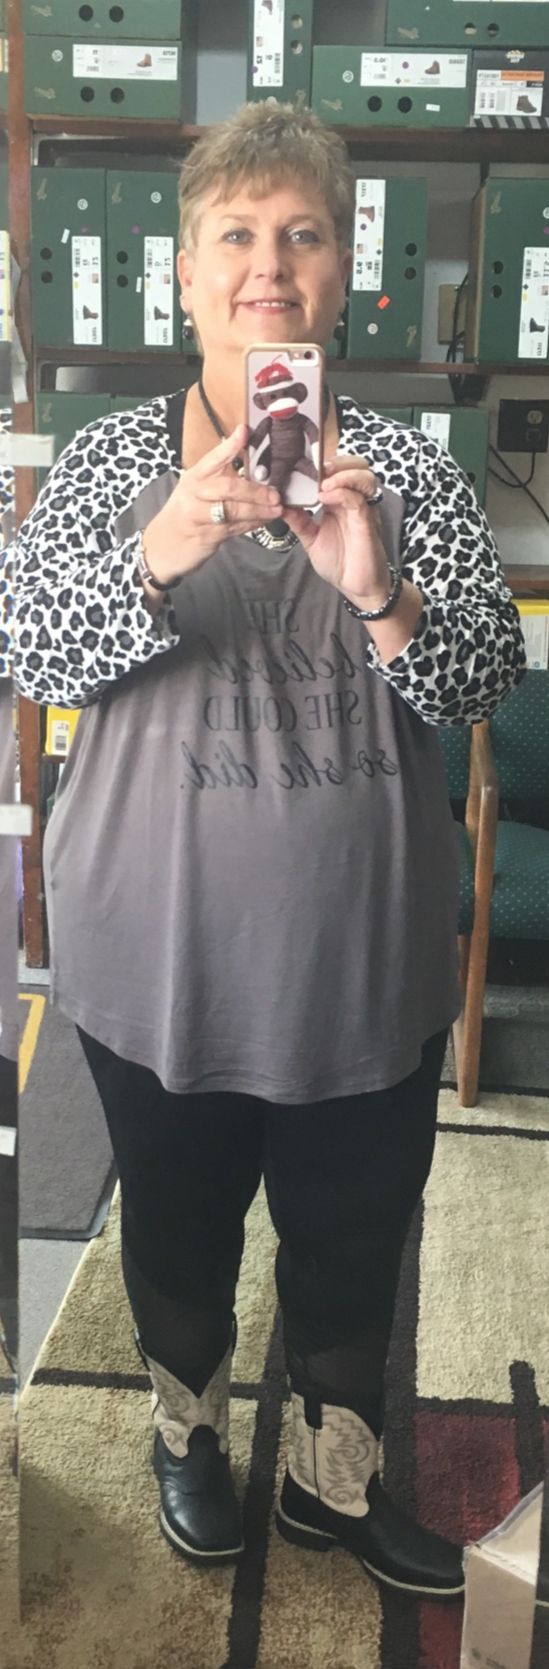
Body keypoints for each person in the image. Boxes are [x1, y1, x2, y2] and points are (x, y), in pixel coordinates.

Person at [13, 101, 526, 1600]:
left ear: (342, 271)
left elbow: (482, 684)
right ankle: (188, 1434)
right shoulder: (108, 461)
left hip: (363, 966)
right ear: (183, 273)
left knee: (350, 1245)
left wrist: (381, 597)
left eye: (302, 235)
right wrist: (157, 552)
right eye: (235, 235)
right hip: (156, 963)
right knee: (177, 1234)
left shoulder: (412, 470)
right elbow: (29, 652)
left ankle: (330, 1477)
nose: (268, 267)